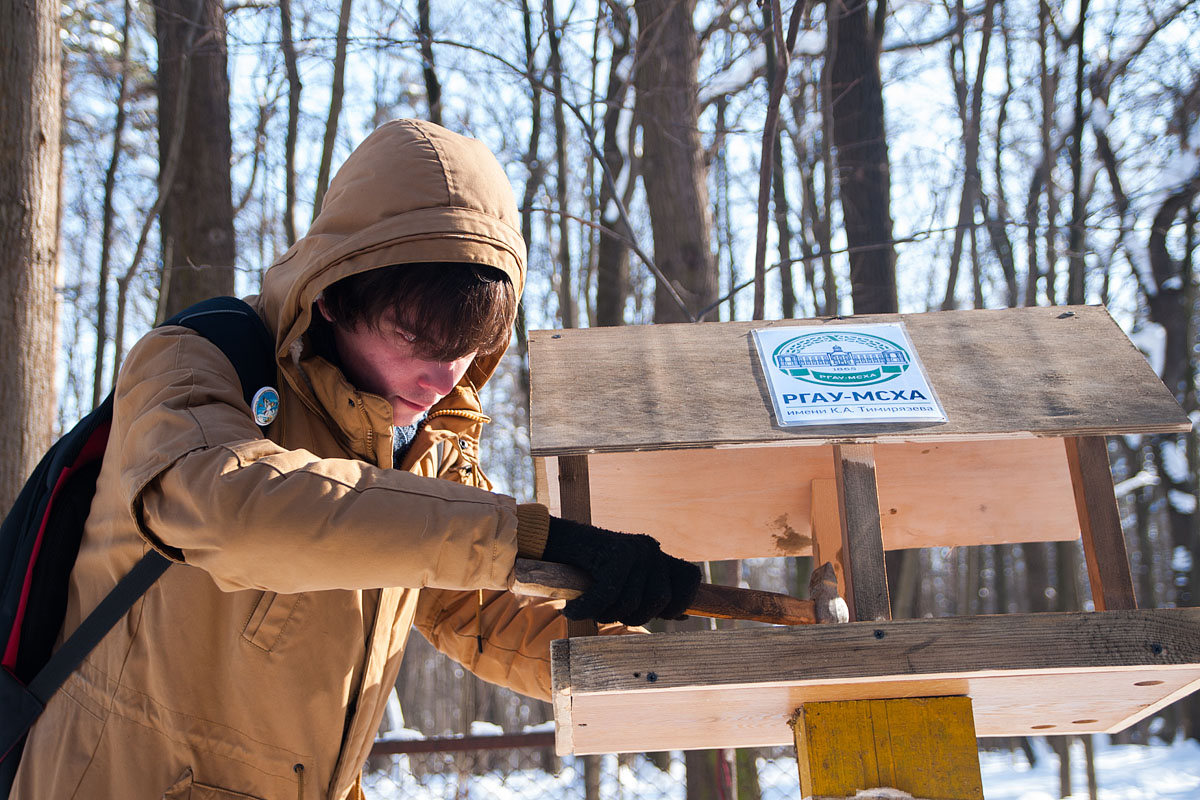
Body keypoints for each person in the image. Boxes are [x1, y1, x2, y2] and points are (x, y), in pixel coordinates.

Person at [12, 119, 699, 799]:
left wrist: (649, 664)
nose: (442, 380)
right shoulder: (191, 363)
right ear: (334, 295)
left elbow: (477, 609)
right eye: (416, 338)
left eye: (466, 348)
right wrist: (521, 535)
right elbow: (223, 506)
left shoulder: (424, 444)